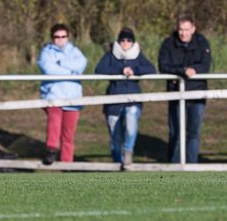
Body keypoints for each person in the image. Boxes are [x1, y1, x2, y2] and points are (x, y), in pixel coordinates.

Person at [95, 27, 156, 168]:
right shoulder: (110, 55)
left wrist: (134, 71)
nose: (125, 43)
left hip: (133, 98)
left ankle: (128, 151)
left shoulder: (138, 55)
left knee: (131, 121)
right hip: (113, 100)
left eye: (128, 40)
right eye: (122, 40)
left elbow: (151, 69)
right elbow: (99, 70)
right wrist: (120, 71)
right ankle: (117, 164)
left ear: (133, 42)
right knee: (115, 137)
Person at [158, 15, 212, 164]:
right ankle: (175, 167)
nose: (183, 33)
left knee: (193, 133)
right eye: (181, 29)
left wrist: (195, 69)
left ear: (193, 29)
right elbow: (163, 66)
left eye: (187, 30)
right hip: (176, 93)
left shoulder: (202, 43)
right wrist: (182, 71)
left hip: (197, 93)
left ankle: (192, 166)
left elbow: (206, 64)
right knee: (176, 132)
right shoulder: (168, 44)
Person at [37, 23, 87, 165]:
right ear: (52, 38)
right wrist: (70, 72)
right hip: (53, 95)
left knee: (68, 133)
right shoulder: (46, 52)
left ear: (68, 37)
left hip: (72, 97)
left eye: (63, 36)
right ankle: (52, 149)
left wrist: (61, 62)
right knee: (54, 122)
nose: (60, 39)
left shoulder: (75, 51)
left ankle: (67, 163)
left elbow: (81, 65)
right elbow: (48, 69)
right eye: (56, 37)